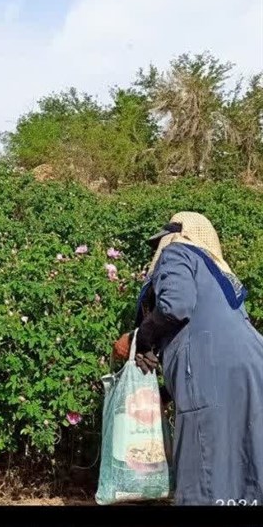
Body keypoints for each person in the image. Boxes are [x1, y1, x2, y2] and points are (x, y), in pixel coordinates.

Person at [112, 212, 263, 506]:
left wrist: (139, 339)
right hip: (252, 367)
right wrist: (168, 391)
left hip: (213, 370)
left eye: (160, 244)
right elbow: (204, 328)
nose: (158, 251)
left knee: (205, 468)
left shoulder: (177, 251)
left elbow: (176, 306)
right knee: (246, 459)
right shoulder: (218, 276)